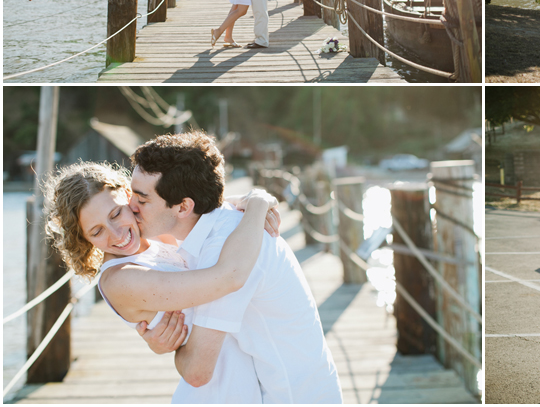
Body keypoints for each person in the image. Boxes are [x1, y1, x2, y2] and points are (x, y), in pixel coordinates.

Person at [129, 131, 343, 403]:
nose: (130, 206)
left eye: (142, 199)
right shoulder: (223, 225)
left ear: (183, 207)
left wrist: (171, 347)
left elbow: (197, 371)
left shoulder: (226, 249)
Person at [43, 162, 280, 403]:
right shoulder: (120, 280)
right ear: (82, 238)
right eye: (96, 232)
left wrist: (240, 201)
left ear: (128, 195)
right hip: (218, 392)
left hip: (253, 376)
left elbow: (195, 215)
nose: (116, 234)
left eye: (116, 213)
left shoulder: (156, 235)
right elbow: (228, 278)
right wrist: (257, 204)